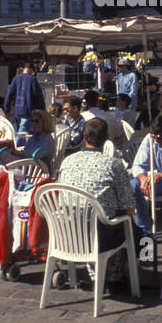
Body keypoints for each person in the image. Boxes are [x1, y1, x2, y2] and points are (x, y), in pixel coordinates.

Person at [56, 117, 136, 286]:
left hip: (67, 232)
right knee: (129, 225)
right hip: (100, 236)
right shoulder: (113, 165)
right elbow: (129, 208)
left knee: (88, 215)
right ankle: (114, 276)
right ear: (106, 139)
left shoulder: (67, 161)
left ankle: (94, 271)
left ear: (84, 137)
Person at [4, 62, 43, 133]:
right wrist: (42, 110)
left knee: (16, 130)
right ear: (31, 70)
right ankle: (16, 144)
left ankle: (17, 142)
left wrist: (6, 110)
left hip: (17, 110)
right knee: (23, 131)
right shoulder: (32, 79)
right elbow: (39, 97)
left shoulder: (15, 79)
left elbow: (9, 95)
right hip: (28, 111)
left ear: (23, 69)